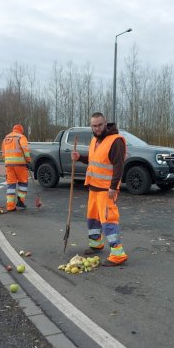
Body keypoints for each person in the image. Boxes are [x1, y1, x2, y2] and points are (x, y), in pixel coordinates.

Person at [71, 112, 128, 266]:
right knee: (93, 218)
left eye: (99, 125)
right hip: (94, 188)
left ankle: (118, 254)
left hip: (106, 190)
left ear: (105, 123)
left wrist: (113, 187)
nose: (97, 128)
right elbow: (93, 160)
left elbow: (118, 167)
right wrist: (79, 158)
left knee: (108, 221)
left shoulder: (115, 141)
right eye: (94, 126)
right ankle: (96, 244)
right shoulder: (95, 140)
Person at [2, 124, 31, 211]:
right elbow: (25, 149)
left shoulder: (6, 138)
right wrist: (28, 160)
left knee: (11, 184)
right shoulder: (21, 137)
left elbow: (3, 153)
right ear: (21, 130)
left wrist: (6, 162)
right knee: (23, 183)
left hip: (9, 165)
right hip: (20, 164)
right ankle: (20, 202)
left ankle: (10, 206)